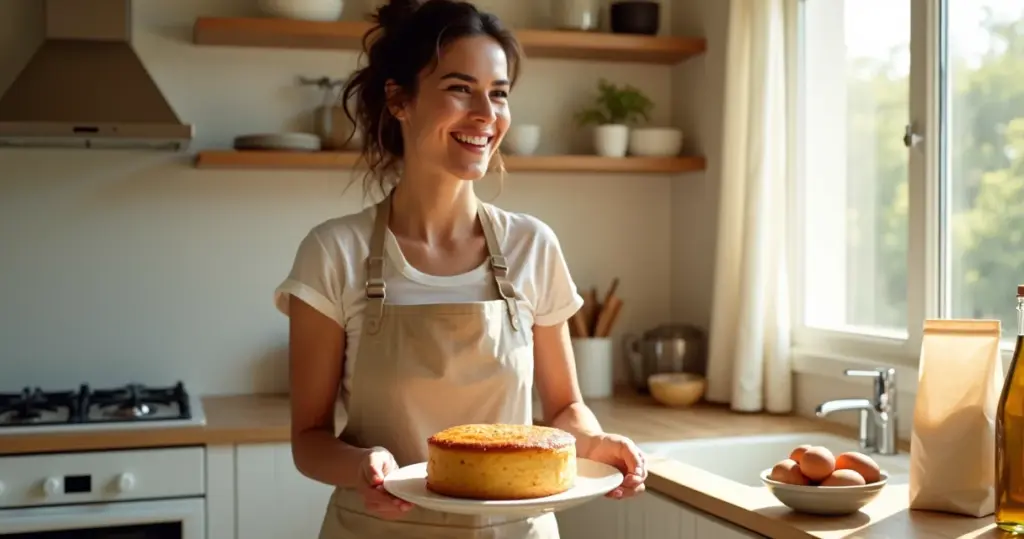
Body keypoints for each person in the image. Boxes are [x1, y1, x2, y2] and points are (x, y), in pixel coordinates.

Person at [272, 0, 648, 537]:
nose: (486, 114)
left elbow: (565, 409)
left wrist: (597, 443)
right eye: (459, 88)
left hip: (515, 529)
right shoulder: (333, 253)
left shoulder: (532, 246)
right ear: (399, 99)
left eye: (498, 93)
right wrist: (359, 467)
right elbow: (308, 439)